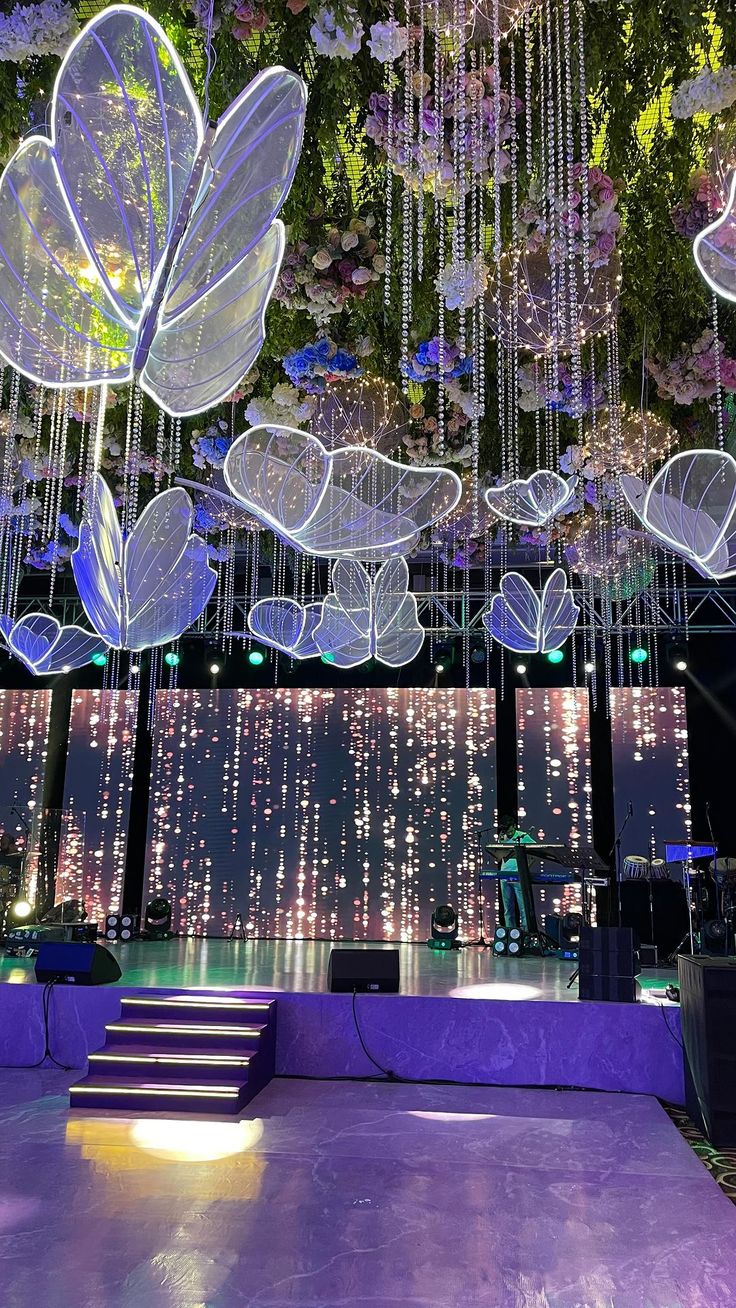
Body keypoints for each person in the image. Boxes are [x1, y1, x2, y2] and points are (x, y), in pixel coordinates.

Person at [496, 814, 535, 933]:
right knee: (508, 909)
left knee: (523, 907)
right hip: (504, 875)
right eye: (505, 829)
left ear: (514, 826)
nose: (507, 832)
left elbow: (535, 851)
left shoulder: (523, 836)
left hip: (518, 876)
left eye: (509, 829)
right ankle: (511, 934)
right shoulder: (502, 836)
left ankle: (526, 934)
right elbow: (499, 853)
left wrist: (526, 867)